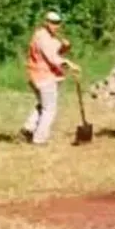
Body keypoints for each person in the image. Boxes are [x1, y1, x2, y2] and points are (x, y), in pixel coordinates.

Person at [22, 11, 79, 145]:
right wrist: (69, 64)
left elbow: (57, 52)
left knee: (43, 105)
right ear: (46, 22)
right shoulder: (42, 37)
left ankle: (28, 129)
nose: (56, 26)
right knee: (49, 109)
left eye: (58, 23)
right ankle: (39, 139)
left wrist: (65, 47)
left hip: (43, 76)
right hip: (43, 76)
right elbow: (52, 58)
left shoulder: (50, 37)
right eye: (52, 23)